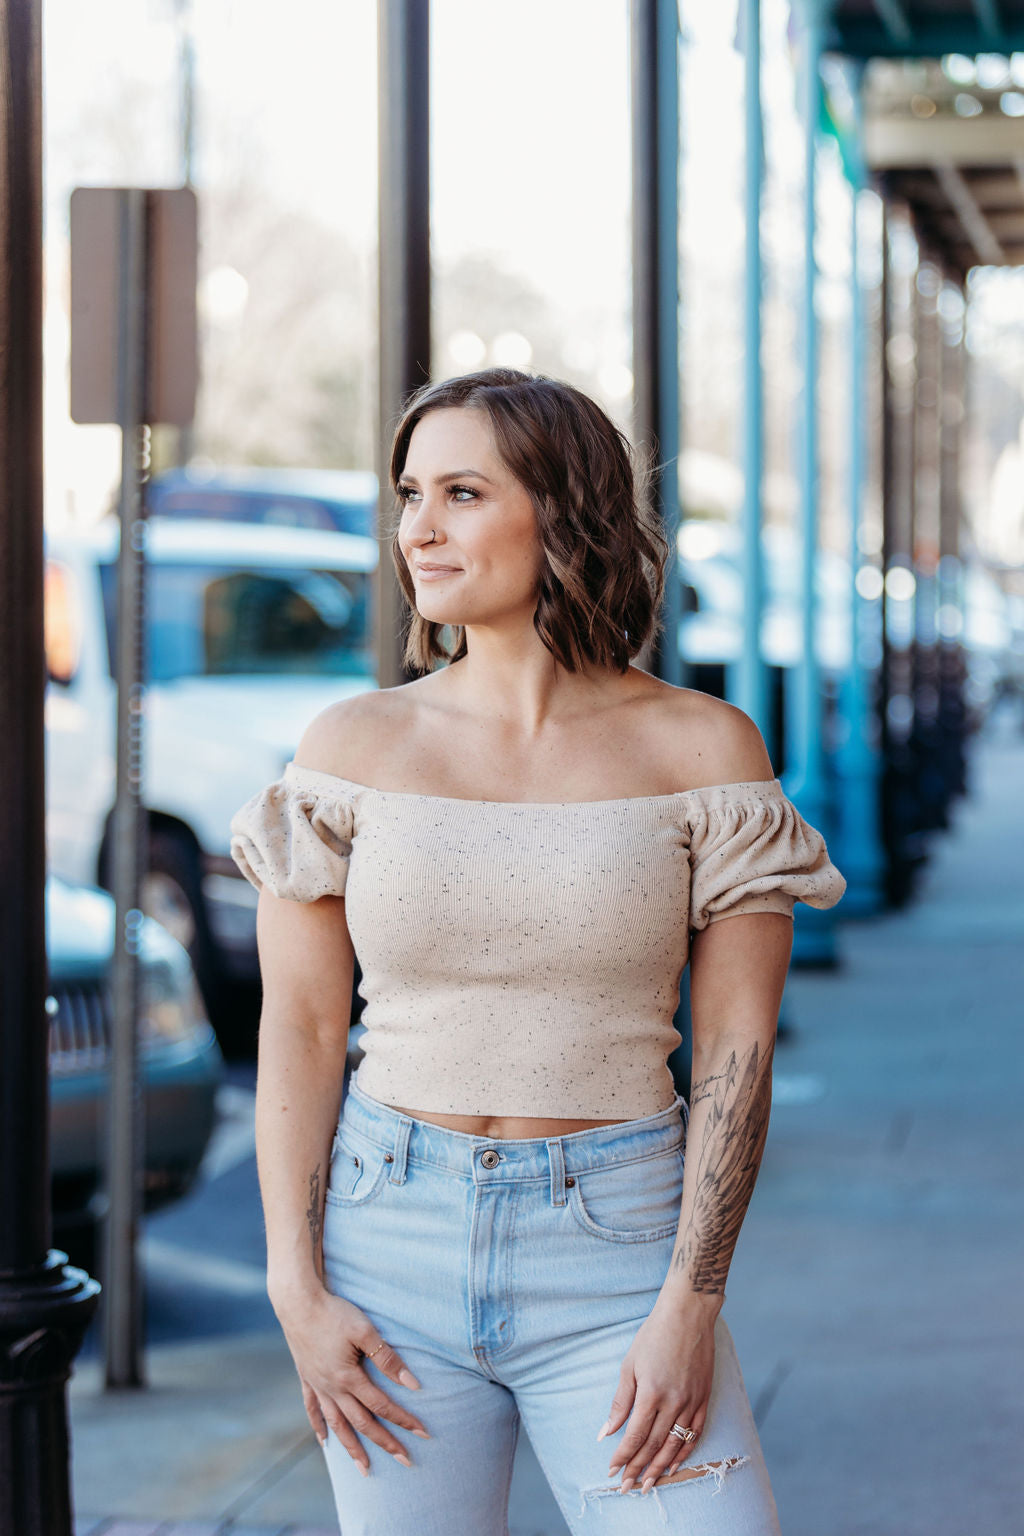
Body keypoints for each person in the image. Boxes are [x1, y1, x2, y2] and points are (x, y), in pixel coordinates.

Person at [229, 368, 846, 1535]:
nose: (419, 527)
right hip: (385, 1238)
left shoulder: (702, 750)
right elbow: (302, 1032)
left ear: (562, 513)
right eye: (409, 492)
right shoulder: (351, 747)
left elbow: (735, 1051)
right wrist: (294, 1286)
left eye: (462, 492)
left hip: (616, 1249)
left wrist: (688, 1306)